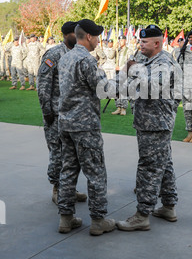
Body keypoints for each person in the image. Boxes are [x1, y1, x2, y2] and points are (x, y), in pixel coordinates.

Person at [116, 25, 181, 231]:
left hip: (156, 123)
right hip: (149, 121)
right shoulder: (147, 60)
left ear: (157, 43)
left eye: (144, 42)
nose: (140, 45)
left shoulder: (164, 61)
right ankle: (168, 206)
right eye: (140, 41)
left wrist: (134, 69)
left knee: (149, 167)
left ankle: (142, 214)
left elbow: (153, 87)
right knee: (164, 163)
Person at [57, 19, 116, 236]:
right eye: (97, 36)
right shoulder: (87, 61)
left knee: (68, 171)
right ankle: (98, 220)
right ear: (89, 37)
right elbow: (105, 90)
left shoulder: (65, 58)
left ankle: (66, 218)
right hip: (85, 126)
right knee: (95, 172)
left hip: (66, 124)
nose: (99, 40)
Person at [37, 21, 87, 205]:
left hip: (73, 115)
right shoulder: (53, 54)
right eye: (75, 34)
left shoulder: (77, 55)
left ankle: (69, 188)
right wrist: (47, 112)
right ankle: (58, 189)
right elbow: (43, 86)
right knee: (58, 154)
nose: (78, 36)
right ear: (66, 35)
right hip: (56, 115)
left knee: (73, 155)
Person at [111, 35, 133, 116]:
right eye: (119, 40)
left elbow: (130, 62)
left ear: (125, 40)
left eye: (121, 40)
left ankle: (123, 108)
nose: (120, 42)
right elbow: (110, 56)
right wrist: (114, 48)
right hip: (116, 72)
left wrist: (121, 67)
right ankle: (118, 107)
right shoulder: (117, 50)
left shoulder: (128, 50)